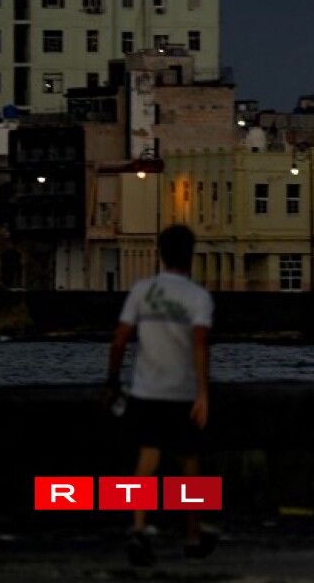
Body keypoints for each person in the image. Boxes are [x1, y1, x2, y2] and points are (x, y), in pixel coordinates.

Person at [105, 224, 216, 566]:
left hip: (145, 390)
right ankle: (193, 536)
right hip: (181, 392)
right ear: (191, 255)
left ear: (160, 254)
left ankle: (138, 529)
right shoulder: (198, 297)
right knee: (190, 464)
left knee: (146, 461)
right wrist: (202, 393)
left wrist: (112, 380)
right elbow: (200, 344)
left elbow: (120, 339)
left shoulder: (143, 290)